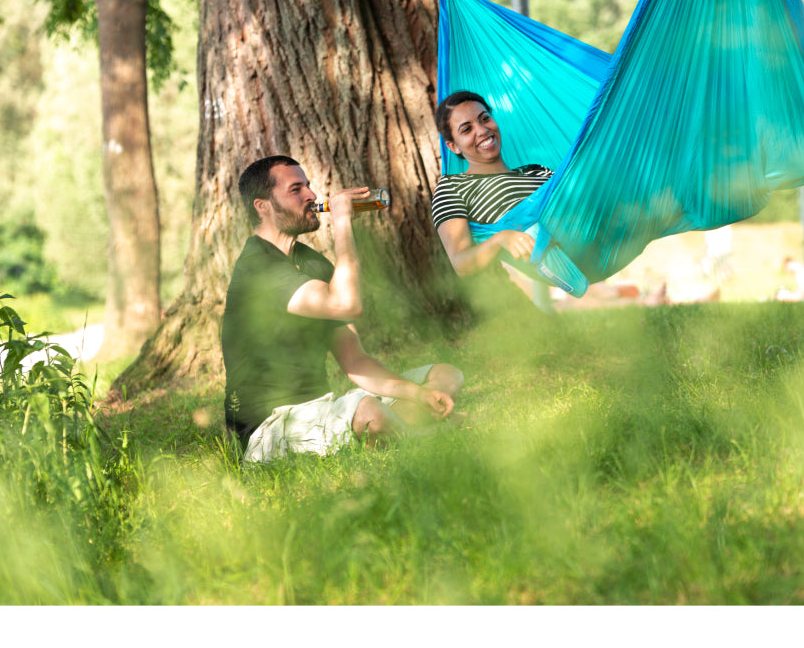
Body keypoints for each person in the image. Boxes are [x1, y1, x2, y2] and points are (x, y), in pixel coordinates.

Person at [222, 155, 463, 464]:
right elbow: (345, 302)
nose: (311, 195)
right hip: (267, 429)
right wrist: (342, 222)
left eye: (308, 186)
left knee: (445, 376)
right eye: (296, 189)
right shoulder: (258, 266)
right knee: (368, 411)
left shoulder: (311, 263)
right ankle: (428, 439)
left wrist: (416, 394)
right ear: (263, 206)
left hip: (321, 407)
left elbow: (354, 359)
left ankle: (397, 427)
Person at [431, 91, 670, 306]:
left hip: (601, 230)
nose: (482, 130)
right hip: (557, 253)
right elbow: (461, 263)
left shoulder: (536, 170)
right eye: (466, 129)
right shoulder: (452, 188)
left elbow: (577, 198)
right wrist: (500, 239)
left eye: (484, 118)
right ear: (453, 146)